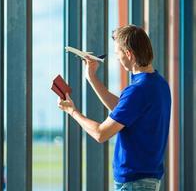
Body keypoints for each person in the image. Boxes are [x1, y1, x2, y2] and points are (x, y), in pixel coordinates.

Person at [57, 25, 171, 191]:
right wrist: (91, 77)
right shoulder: (159, 84)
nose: (117, 58)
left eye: (118, 53)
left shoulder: (137, 90)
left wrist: (72, 111)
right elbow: (124, 110)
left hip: (134, 184)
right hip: (146, 181)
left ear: (129, 54)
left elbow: (100, 133)